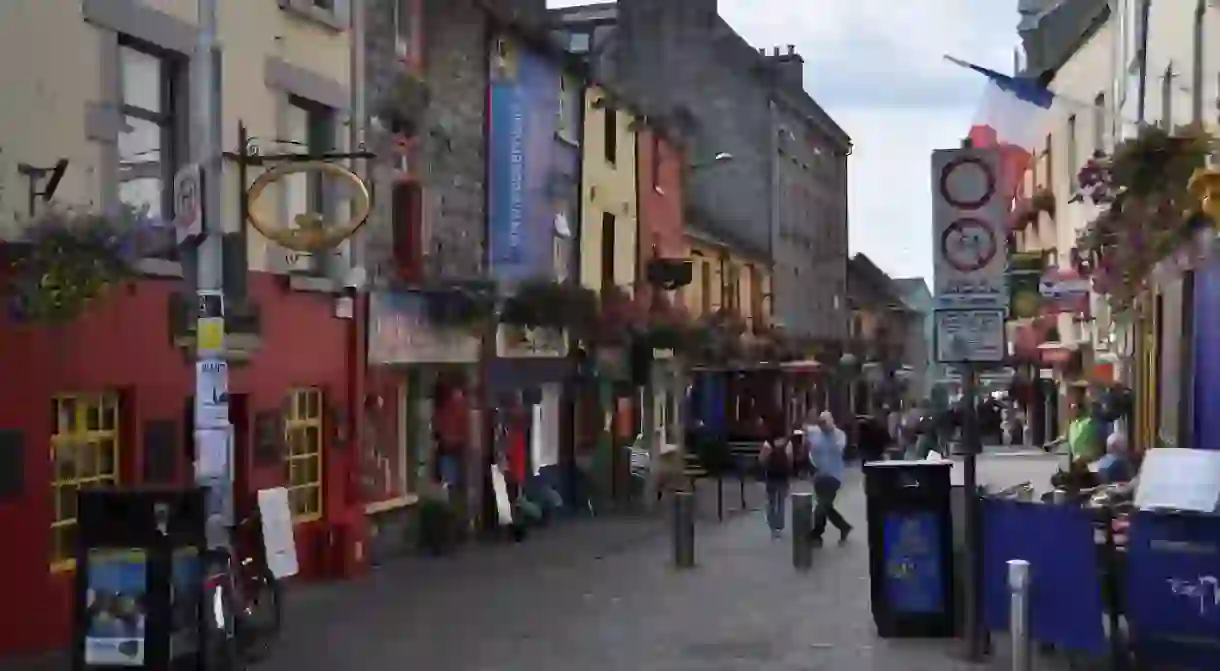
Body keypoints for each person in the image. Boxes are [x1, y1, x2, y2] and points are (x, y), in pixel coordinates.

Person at [805, 410, 853, 546]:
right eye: (820, 422)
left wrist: (830, 432)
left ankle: (816, 534)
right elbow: (804, 431)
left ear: (831, 421)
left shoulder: (839, 435)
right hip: (819, 476)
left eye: (825, 421)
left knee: (822, 506)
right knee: (826, 506)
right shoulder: (815, 432)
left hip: (834, 476)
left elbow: (839, 448)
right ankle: (844, 527)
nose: (822, 425)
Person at [758, 430, 794, 538]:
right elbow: (790, 459)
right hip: (783, 476)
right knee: (781, 502)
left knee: (771, 501)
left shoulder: (768, 443)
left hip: (771, 476)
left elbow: (761, 459)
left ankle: (772, 525)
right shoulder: (788, 443)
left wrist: (765, 466)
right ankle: (779, 526)